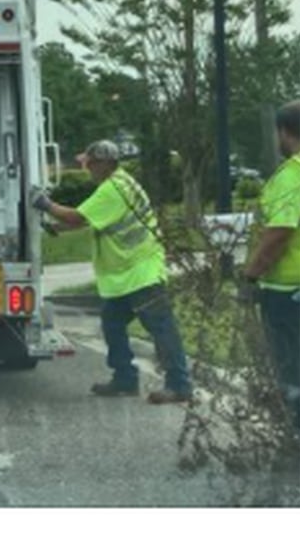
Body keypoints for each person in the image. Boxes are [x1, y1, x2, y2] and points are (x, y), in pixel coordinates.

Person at [32, 140, 193, 404]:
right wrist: (56, 228)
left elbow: (77, 217)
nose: (87, 169)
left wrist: (44, 203)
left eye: (91, 164)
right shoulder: (124, 182)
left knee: (161, 328)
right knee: (112, 324)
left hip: (141, 271)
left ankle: (179, 384)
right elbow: (95, 220)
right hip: (129, 272)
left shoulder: (112, 189)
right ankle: (125, 379)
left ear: (104, 163)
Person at [242, 100, 300, 433]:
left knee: (294, 369)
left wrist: (250, 275)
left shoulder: (293, 175)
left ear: (284, 131)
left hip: (291, 289)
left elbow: (279, 234)